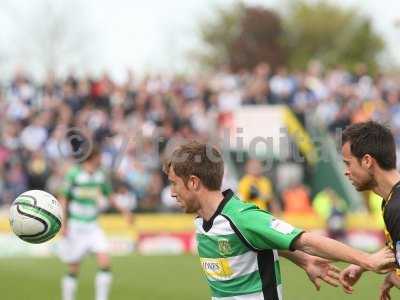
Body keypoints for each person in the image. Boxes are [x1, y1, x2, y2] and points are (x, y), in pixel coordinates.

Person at [164, 141, 394, 300]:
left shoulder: (241, 218)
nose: (172, 192)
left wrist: (366, 260)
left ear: (194, 182)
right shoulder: (203, 218)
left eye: (174, 183)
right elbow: (257, 241)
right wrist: (304, 262)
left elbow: (306, 240)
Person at [58, 147, 133, 300]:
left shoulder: (100, 175)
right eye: (100, 156)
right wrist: (64, 224)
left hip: (93, 226)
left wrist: (125, 211)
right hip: (76, 226)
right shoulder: (74, 174)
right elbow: (63, 198)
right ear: (93, 157)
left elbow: (109, 195)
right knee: (73, 268)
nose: (102, 160)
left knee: (105, 262)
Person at [339, 121, 400, 299]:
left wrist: (393, 277)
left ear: (367, 161)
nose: (346, 172)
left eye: (348, 164)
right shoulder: (390, 200)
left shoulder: (397, 208)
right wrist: (363, 265)